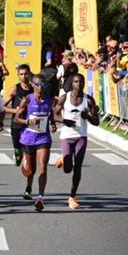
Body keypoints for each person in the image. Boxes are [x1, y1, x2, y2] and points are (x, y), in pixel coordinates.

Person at [54, 74, 99, 209]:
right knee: (68, 169)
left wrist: (89, 117)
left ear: (84, 83)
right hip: (67, 136)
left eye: (81, 82)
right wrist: (64, 121)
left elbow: (96, 122)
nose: (79, 84)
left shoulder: (89, 100)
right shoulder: (64, 98)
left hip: (81, 136)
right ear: (72, 83)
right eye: (76, 81)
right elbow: (55, 114)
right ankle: (64, 158)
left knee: (77, 167)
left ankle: (72, 196)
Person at [14, 74, 57, 212]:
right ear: (33, 85)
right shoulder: (27, 100)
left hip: (43, 138)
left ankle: (40, 198)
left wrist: (53, 124)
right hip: (28, 138)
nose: (41, 87)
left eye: (43, 85)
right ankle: (28, 186)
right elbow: (16, 119)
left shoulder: (49, 100)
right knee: (30, 170)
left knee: (42, 167)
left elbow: (50, 115)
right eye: (38, 85)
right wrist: (28, 122)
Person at [3, 64, 33, 169]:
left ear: (29, 74)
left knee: (28, 148)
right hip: (16, 123)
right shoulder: (15, 89)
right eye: (21, 74)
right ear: (18, 75)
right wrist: (16, 111)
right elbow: (3, 107)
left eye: (26, 74)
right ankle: (18, 153)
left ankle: (27, 164)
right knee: (18, 147)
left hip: (29, 124)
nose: (24, 76)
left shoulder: (34, 89)